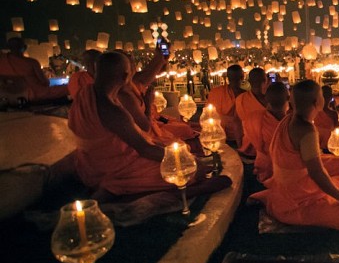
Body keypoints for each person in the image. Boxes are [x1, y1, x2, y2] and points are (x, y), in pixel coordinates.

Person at [68, 52, 230, 198]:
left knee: (172, 148)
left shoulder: (85, 94)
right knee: (184, 171)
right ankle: (118, 189)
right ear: (125, 76)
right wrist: (192, 162)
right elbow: (144, 149)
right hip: (114, 169)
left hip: (88, 164)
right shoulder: (112, 110)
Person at [250, 80, 339, 230]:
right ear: (317, 102)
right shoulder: (306, 129)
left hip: (289, 183)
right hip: (296, 199)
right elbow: (316, 173)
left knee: (337, 164)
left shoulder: (288, 119)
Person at [0, 37, 68, 103]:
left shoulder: (2, 61)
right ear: (25, 47)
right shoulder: (31, 62)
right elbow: (45, 82)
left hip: (8, 95)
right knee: (67, 88)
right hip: (33, 94)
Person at [206, 64, 245, 143]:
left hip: (217, 136)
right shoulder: (246, 96)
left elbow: (208, 114)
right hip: (240, 137)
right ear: (243, 77)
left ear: (227, 78)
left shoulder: (215, 92)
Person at [235, 67, 269, 156]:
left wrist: (240, 143)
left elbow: (237, 123)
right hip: (268, 147)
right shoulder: (272, 99)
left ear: (249, 81)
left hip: (248, 146)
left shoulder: (241, 99)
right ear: (265, 80)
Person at [314, 84, 339, 150]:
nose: (325, 99)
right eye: (324, 96)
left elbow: (336, 129)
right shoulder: (314, 111)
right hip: (316, 140)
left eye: (326, 96)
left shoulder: (333, 113)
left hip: (326, 142)